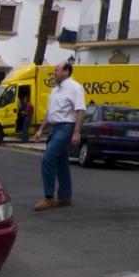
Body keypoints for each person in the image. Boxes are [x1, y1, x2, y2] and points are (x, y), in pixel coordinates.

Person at [33, 62, 86, 211]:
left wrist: (76, 132)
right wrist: (40, 130)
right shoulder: (54, 91)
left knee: (48, 159)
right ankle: (65, 197)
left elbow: (80, 110)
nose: (54, 72)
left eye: (57, 70)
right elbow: (49, 112)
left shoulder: (75, 88)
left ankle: (49, 197)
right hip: (54, 128)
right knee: (61, 163)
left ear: (66, 71)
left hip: (65, 128)